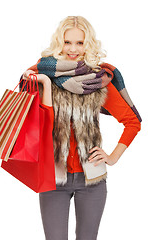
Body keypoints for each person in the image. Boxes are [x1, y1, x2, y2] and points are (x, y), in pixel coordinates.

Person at [21, 16, 141, 240]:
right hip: (53, 178)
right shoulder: (42, 75)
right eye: (67, 42)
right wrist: (46, 83)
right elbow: (38, 119)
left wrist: (113, 157)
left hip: (92, 180)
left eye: (80, 43)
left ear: (88, 44)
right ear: (60, 42)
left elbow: (132, 122)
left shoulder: (96, 80)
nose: (73, 49)